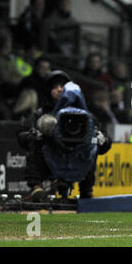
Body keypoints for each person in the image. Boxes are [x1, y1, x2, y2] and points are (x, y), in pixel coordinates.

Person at [17, 70, 111, 201]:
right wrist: (33, 135)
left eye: (62, 86)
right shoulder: (40, 115)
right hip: (51, 159)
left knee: (92, 147)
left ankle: (86, 191)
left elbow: (105, 142)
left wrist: (103, 140)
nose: (59, 90)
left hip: (77, 159)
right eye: (55, 87)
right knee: (36, 145)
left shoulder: (85, 116)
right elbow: (21, 137)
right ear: (48, 91)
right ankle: (36, 188)